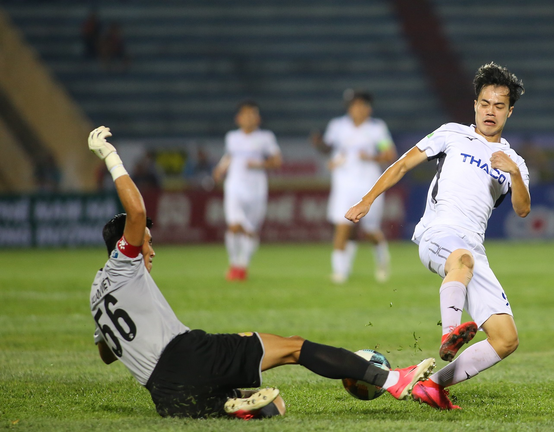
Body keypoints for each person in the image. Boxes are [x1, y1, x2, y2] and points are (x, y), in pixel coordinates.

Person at [87, 125, 435, 419]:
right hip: (189, 355)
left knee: (272, 403)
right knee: (294, 347)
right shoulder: (124, 263)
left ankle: (227, 404)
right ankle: (393, 380)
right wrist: (111, 156)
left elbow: (106, 353)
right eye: (146, 242)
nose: (151, 250)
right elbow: (136, 212)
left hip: (165, 396)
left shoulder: (96, 293)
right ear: (124, 245)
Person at [345, 62, 530, 410]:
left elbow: (523, 209)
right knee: (462, 260)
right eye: (485, 103)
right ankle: (449, 333)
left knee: (506, 339)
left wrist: (515, 174)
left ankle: (432, 386)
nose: (490, 111)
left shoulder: (513, 161)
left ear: (509, 111)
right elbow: (402, 164)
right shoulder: (451, 134)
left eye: (499, 105)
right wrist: (367, 200)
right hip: (438, 234)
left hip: (473, 250)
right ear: (475, 105)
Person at [312, 90, 397, 284]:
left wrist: (371, 157)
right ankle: (340, 272)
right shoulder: (337, 126)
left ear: (369, 108)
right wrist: (318, 143)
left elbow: (389, 153)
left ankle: (382, 259)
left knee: (369, 230)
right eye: (354, 105)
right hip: (343, 183)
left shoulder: (376, 128)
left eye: (362, 105)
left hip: (369, 185)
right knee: (342, 225)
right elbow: (328, 147)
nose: (358, 109)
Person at [212, 100, 281, 281]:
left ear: (258, 118)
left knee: (251, 230)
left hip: (257, 189)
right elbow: (229, 156)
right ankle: (233, 263)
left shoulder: (266, 137)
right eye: (246, 114)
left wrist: (260, 164)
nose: (249, 118)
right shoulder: (232, 137)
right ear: (238, 118)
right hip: (234, 186)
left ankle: (243, 265)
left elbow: (277, 161)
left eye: (253, 114)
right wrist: (220, 169)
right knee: (234, 225)